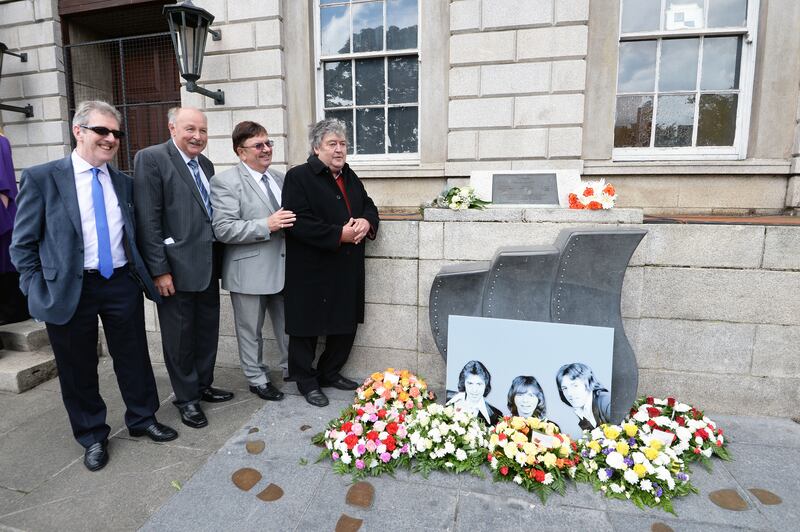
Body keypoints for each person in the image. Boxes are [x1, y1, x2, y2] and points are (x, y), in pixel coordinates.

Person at [10, 100, 177, 472]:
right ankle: (92, 436)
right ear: (78, 131)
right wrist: (35, 287)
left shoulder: (123, 183)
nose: (111, 139)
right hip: (69, 288)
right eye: (102, 130)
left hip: (120, 282)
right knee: (77, 367)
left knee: (134, 357)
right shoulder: (43, 177)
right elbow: (22, 245)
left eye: (116, 133)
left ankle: (142, 418)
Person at [133, 107, 233, 429]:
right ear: (172, 128)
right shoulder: (151, 158)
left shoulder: (205, 163)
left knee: (206, 332)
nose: (198, 136)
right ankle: (186, 399)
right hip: (174, 271)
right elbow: (148, 219)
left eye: (203, 131)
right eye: (191, 129)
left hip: (207, 264)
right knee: (179, 338)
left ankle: (203, 385)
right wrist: (159, 270)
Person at [282, 118, 379, 407]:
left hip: (346, 267)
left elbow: (369, 205)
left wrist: (365, 221)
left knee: (344, 323)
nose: (339, 150)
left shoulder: (349, 175)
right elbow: (297, 222)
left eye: (343, 144)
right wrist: (340, 234)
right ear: (316, 148)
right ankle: (306, 381)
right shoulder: (298, 176)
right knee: (306, 328)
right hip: (311, 268)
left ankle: (329, 372)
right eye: (332, 144)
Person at [210, 121, 296, 401]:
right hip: (248, 271)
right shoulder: (226, 181)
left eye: (269, 143)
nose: (266, 149)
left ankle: (290, 369)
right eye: (258, 145)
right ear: (241, 152)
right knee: (250, 331)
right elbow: (222, 229)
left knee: (289, 326)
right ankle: (256, 379)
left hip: (284, 267)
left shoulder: (281, 178)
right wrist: (266, 225)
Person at [0, 129, 29, 325]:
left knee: (7, 262)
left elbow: (4, 185)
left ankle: (13, 312)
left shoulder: (0, 142)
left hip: (4, 214)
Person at [556, 362, 611, 431]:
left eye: (575, 385)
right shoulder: (581, 409)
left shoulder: (606, 401)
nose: (569, 393)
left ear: (588, 383)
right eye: (565, 388)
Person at [446, 360, 502, 426]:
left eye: (479, 384)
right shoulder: (445, 399)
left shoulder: (495, 416)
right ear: (464, 383)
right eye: (470, 383)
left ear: (485, 385)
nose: (474, 390)